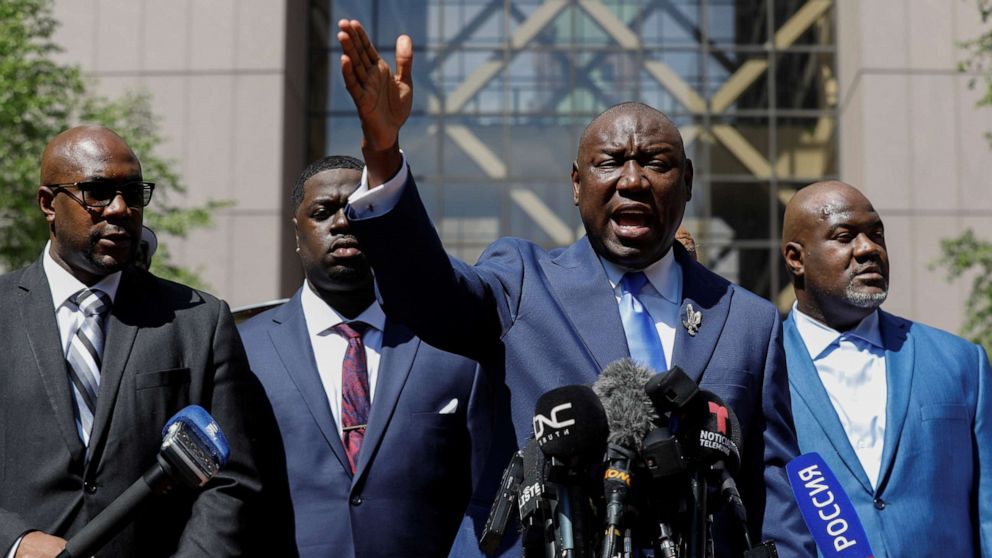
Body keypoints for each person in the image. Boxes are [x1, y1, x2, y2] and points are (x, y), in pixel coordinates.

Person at [334, 20, 814, 557]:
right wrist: (384, 155)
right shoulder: (520, 279)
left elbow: (777, 493)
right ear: (576, 184)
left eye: (656, 163)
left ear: (688, 183)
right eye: (610, 162)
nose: (632, 180)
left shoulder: (749, 319)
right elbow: (427, 295)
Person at [0, 125, 294, 557]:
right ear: (48, 203)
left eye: (133, 193)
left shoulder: (198, 320)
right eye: (97, 192)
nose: (120, 209)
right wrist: (15, 542)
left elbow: (232, 480)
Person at [238, 155, 492, 558]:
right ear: (297, 233)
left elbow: (484, 497)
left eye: (357, 210)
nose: (342, 223)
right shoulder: (243, 351)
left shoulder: (448, 348)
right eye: (323, 212)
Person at [780, 180, 991, 557]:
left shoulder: (960, 362)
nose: (868, 249)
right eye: (844, 236)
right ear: (796, 258)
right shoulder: (764, 366)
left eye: (876, 234)